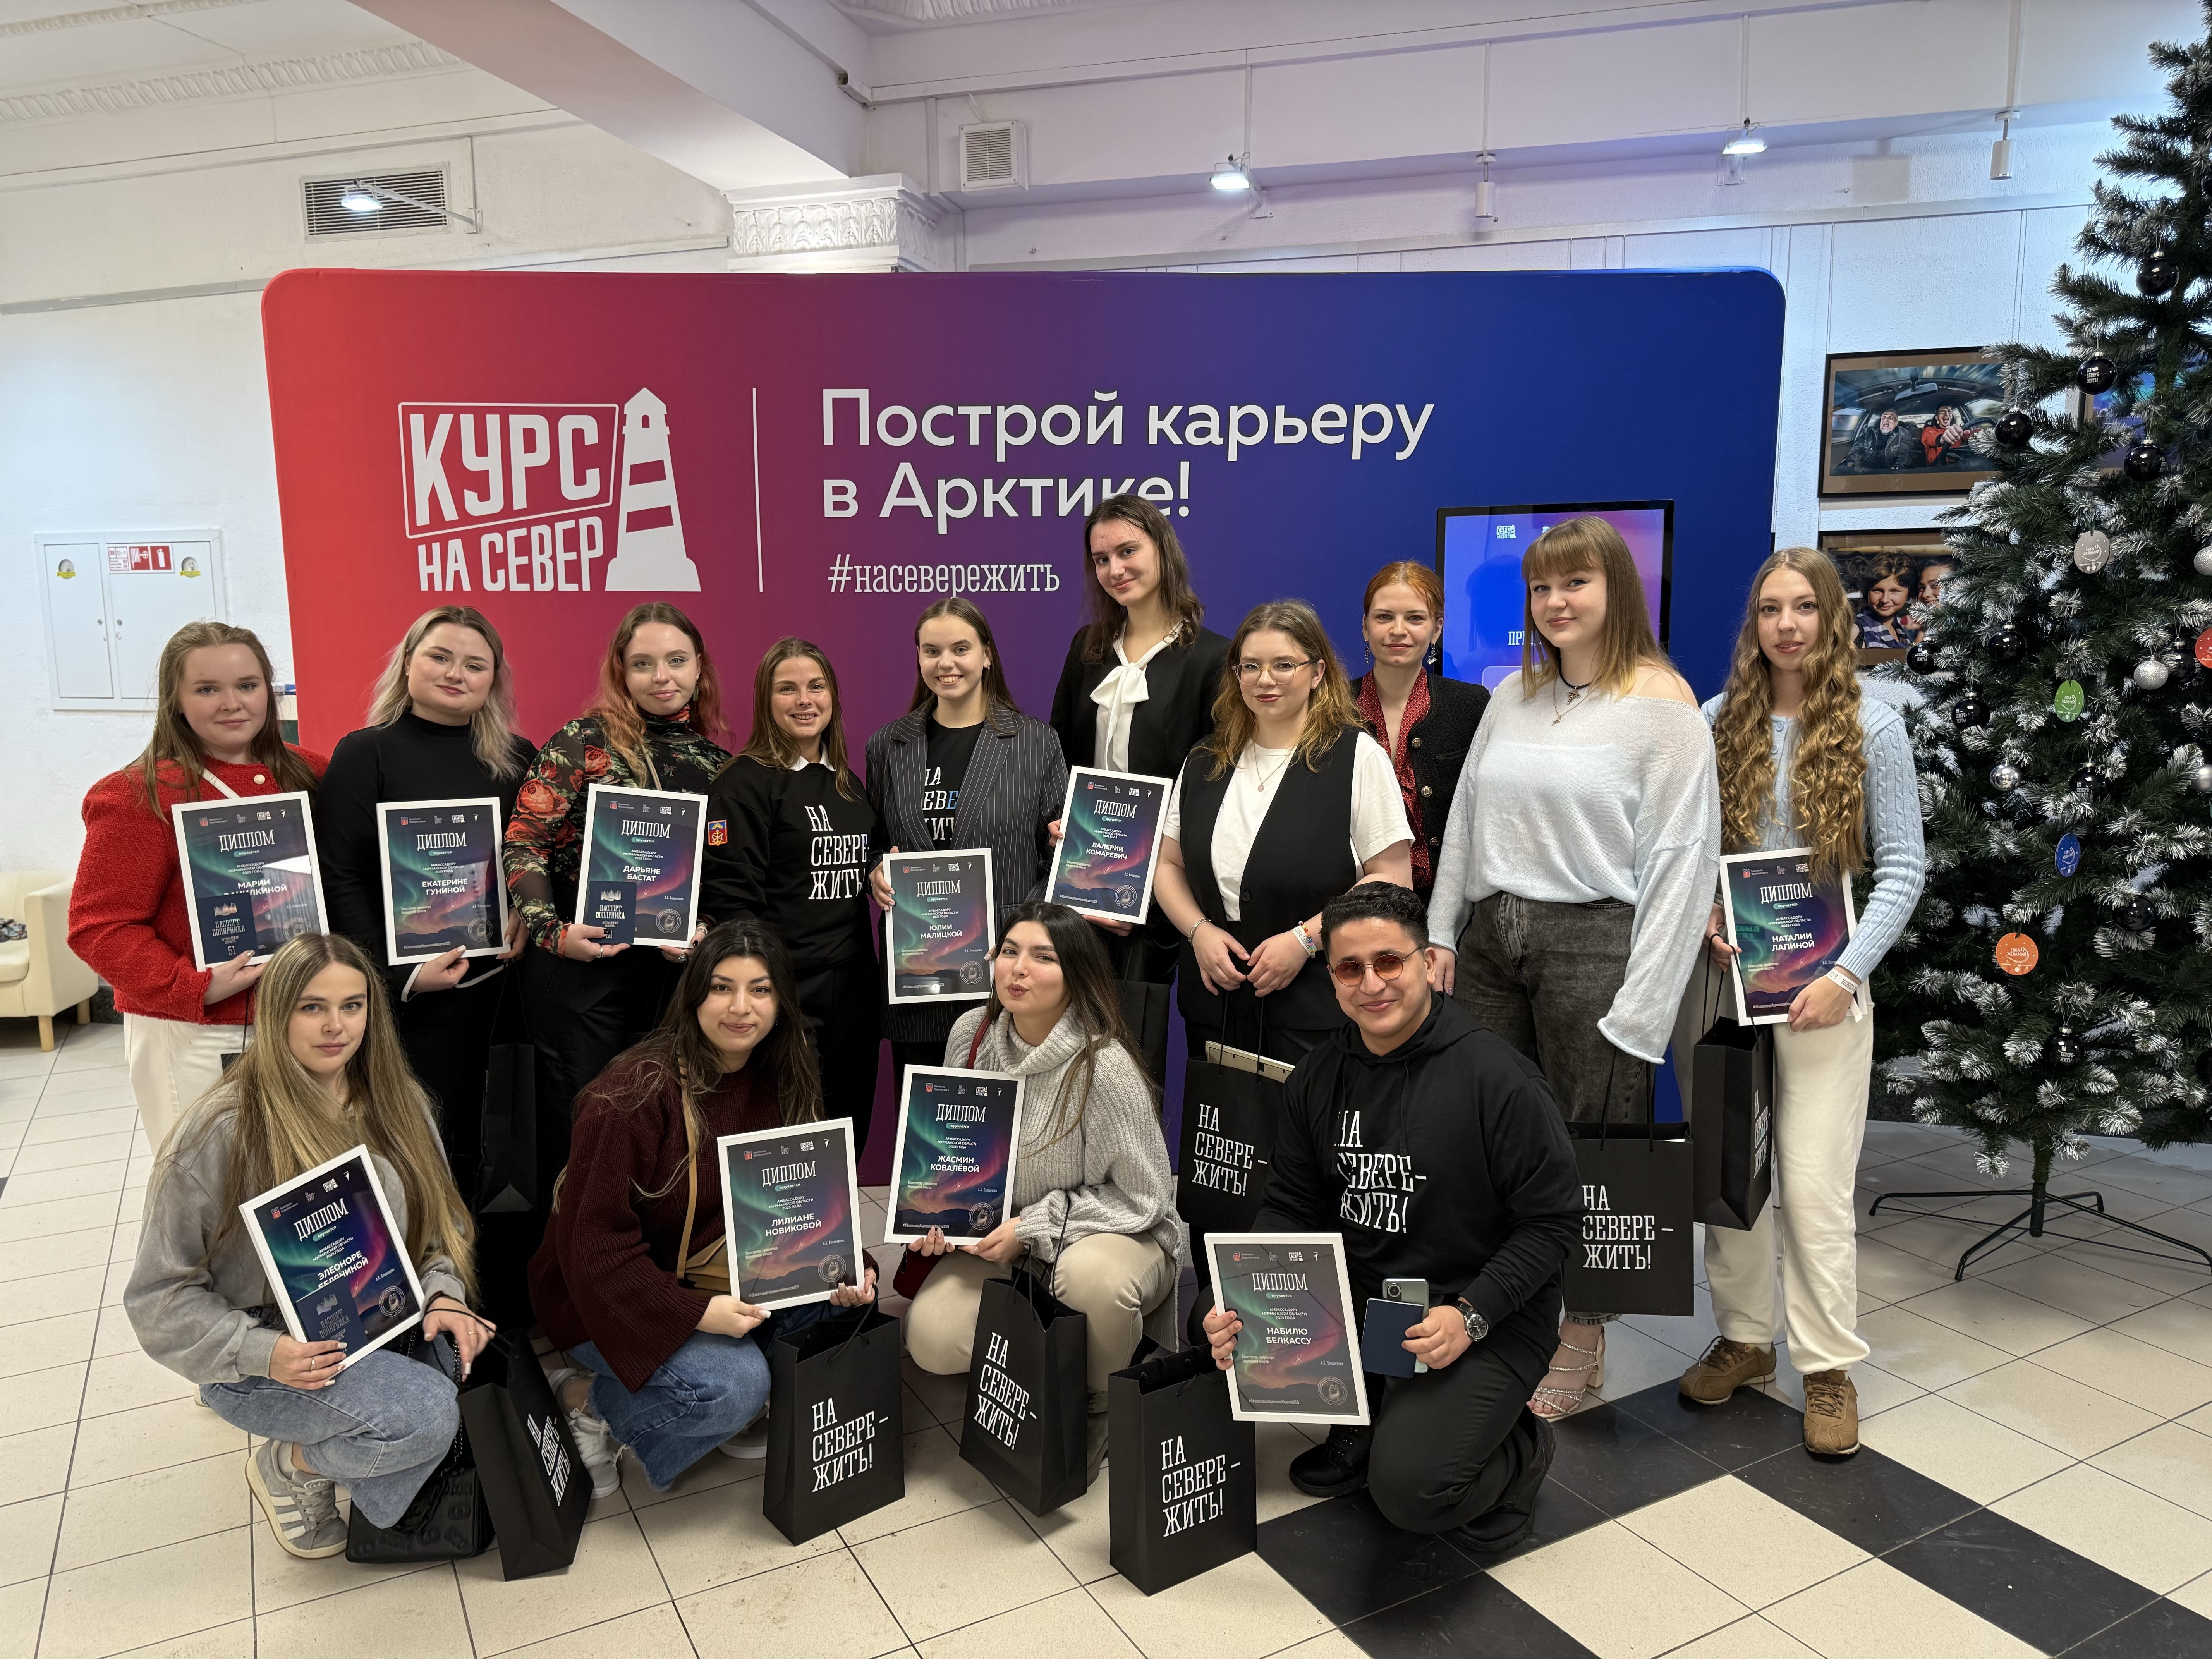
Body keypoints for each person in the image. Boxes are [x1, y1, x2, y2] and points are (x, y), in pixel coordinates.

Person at [1426, 515, 1719, 1420]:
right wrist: (1442, 932)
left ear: (1616, 589)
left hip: (1597, 942)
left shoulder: (1664, 705)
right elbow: (1467, 817)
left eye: (1576, 583)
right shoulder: (1515, 696)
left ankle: (1582, 1334)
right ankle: (1504, 1308)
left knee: (1590, 1149)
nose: (1556, 602)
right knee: (1487, 1136)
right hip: (1491, 937)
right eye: (1542, 587)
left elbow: (1682, 863)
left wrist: (1646, 1009)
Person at [1201, 884, 1581, 1554]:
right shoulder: (1317, 1076)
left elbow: (1551, 1226)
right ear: (1331, 977)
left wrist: (1471, 1315)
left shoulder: (1499, 1079)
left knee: (1412, 1491)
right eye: (1350, 968)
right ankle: (1368, 1414)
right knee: (1212, 1315)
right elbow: (1291, 1205)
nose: (1371, 984)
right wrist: (1245, 1292)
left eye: (1389, 962)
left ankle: (1523, 1449)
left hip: (1480, 1309)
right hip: (1369, 1300)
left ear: (1427, 962)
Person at [125, 933, 491, 1560]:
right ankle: (291, 1465)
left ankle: (351, 1443)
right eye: (312, 1007)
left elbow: (440, 1227)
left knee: (469, 1365)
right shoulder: (220, 1129)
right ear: (277, 1013)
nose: (335, 1026)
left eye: (352, 1005)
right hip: (267, 1345)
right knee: (427, 1416)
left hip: (378, 1309)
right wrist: (262, 1352)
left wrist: (444, 1295)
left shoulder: (401, 1103)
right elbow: (157, 1298)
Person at [1676, 548, 1925, 1456]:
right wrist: (1710, 912)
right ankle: (1747, 1340)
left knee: (1814, 1184)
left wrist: (1845, 976)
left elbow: (1905, 869)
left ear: (1832, 619)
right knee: (1730, 1174)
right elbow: (1692, 852)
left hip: (1826, 989)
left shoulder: (1874, 726)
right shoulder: (1715, 722)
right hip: (1727, 984)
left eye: (1805, 607)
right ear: (1754, 624)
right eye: (1771, 609)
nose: (1787, 625)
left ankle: (1826, 1367)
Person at [529, 920, 878, 1496]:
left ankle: (717, 1390)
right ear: (693, 996)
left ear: (782, 1003)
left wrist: (852, 1267)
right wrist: (694, 1314)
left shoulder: (786, 1075)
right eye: (721, 988)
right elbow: (593, 1251)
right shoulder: (632, 1094)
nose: (741, 1008)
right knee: (732, 1389)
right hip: (605, 1295)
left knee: (838, 1310)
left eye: (760, 990)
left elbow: (809, 1206)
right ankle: (585, 1400)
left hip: (723, 1272)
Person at [903, 903, 1187, 1480]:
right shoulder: (971, 1034)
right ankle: (1040, 1362)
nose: (1019, 969)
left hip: (1112, 1233)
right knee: (929, 1339)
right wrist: (937, 1214)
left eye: (1043, 957)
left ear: (1077, 974)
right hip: (1006, 1241)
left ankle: (1098, 1401)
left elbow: (1147, 1199)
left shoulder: (1103, 1065)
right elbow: (954, 1156)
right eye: (1010, 951)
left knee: (1090, 1281)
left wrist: (1033, 1227)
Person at [505, 603, 731, 1200]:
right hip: (580, 973)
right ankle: (572, 1255)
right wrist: (553, 933)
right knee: (580, 1130)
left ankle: (638, 1255)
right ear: (621, 671)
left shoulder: (719, 766)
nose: (662, 676)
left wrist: (701, 929)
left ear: (699, 667)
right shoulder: (583, 742)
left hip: (667, 980)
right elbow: (524, 840)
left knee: (657, 1129)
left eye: (676, 661)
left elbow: (721, 877)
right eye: (643, 663)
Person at [70, 622, 325, 1149]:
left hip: (306, 1014)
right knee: (209, 1182)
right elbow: (99, 927)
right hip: (200, 1030)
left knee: (305, 1178)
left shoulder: (314, 775)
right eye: (208, 689)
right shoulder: (138, 794)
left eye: (248, 685)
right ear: (177, 701)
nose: (233, 704)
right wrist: (192, 986)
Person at [314, 605, 536, 1196]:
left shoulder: (518, 759)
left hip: (498, 991)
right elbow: (341, 877)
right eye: (440, 657)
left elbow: (538, 857)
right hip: (410, 1000)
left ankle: (471, 1256)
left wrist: (527, 908)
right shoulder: (366, 754)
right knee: (411, 1153)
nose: (455, 673)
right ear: (409, 662)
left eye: (475, 665)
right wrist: (399, 977)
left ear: (494, 679)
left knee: (487, 1154)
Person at [1152, 600, 1413, 1068]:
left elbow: (1392, 879)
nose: (1265, 680)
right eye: (1250, 666)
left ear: (1317, 673)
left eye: (1284, 665)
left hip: (1315, 1005)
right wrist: (1198, 932)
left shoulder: (1357, 756)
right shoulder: (1204, 760)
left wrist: (1305, 940)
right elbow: (1167, 864)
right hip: (1217, 1004)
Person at [866, 598, 1068, 1085]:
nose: (946, 663)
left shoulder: (1036, 743)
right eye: (932, 651)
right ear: (918, 657)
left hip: (1004, 975)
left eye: (961, 649)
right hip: (918, 976)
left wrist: (1021, 939)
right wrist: (875, 870)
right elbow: (875, 841)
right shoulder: (888, 745)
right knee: (926, 1119)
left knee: (1003, 1120)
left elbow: (1059, 860)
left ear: (987, 655)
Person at [701, 639, 883, 1151]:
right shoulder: (742, 784)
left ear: (833, 697)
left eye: (816, 687)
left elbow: (866, 859)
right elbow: (733, 904)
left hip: (853, 986)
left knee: (846, 1127)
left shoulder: (847, 783)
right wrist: (765, 994)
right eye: (787, 689)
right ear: (766, 700)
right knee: (789, 1139)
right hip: (788, 988)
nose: (804, 700)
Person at [1048, 495, 1231, 980]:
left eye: (1128, 551)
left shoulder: (1213, 657)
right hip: (1083, 870)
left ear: (1162, 550)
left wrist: (1151, 875)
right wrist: (1058, 827)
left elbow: (1213, 783)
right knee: (1073, 1012)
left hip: (1166, 879)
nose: (1115, 570)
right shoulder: (1086, 648)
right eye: (1101, 559)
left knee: (1136, 1017)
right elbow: (1059, 753)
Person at [1348, 562, 1490, 902]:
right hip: (1351, 903)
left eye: (1415, 618)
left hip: (1448, 904)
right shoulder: (1333, 708)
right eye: (1384, 617)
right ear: (1365, 627)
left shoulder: (1471, 705)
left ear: (1436, 629)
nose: (1398, 630)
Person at [1854, 560, 1916, 648]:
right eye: (1878, 591)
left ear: (1908, 594)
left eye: (1894, 591)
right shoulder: (1857, 630)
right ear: (1867, 591)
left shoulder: (1899, 632)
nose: (1885, 600)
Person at [1844, 407, 1917, 472]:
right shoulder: (1868, 431)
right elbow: (1858, 447)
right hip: (1865, 469)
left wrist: (1895, 469)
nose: (1886, 420)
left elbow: (1906, 454)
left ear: (1896, 423)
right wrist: (1851, 461)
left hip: (1890, 470)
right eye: (1884, 418)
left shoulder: (1903, 433)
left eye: (1891, 418)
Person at [1919, 404, 1971, 468]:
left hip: (1960, 467)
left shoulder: (1958, 430)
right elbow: (1929, 438)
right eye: (1942, 412)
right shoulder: (1929, 430)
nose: (1947, 414)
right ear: (1937, 417)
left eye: (1950, 412)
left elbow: (1970, 435)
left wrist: (1974, 434)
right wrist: (1942, 439)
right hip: (1938, 469)